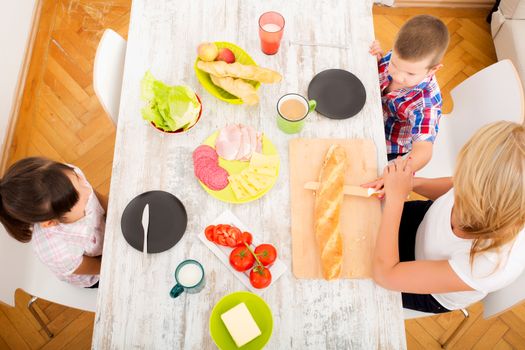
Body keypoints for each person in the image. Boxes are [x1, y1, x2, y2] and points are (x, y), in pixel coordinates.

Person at [368, 121, 525, 313]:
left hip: (429, 285)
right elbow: (453, 185)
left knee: (358, 280)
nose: (458, 188)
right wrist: (410, 183)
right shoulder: (487, 186)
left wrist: (395, 200)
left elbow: (386, 275)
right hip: (425, 223)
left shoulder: (491, 264)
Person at [0, 157, 106, 288]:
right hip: (95, 268)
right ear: (51, 222)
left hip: (100, 231)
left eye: (79, 179)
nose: (87, 190)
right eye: (79, 198)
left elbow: (98, 198)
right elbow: (101, 267)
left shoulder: (68, 178)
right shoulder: (56, 251)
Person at [369, 14, 450, 172]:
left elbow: (424, 151)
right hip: (370, 113)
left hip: (389, 146)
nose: (398, 77)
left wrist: (401, 171)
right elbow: (386, 69)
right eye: (394, 64)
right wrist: (379, 59)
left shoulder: (428, 104)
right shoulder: (402, 58)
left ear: (433, 69)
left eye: (410, 74)